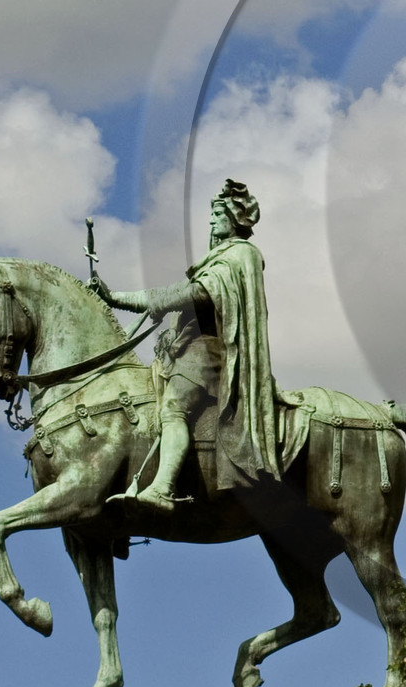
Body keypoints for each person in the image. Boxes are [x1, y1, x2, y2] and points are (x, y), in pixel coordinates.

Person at [95, 178, 282, 511]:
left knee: (173, 408)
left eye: (218, 214)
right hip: (191, 349)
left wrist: (119, 298)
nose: (211, 221)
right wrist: (116, 298)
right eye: (212, 214)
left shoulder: (240, 254)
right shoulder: (220, 257)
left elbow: (195, 294)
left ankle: (163, 488)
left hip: (210, 352)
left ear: (234, 218)